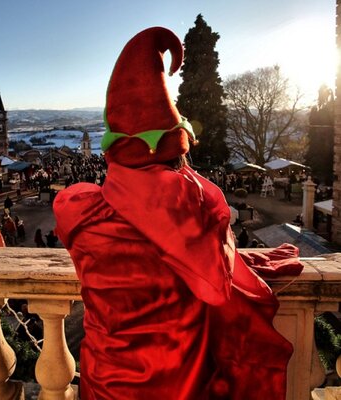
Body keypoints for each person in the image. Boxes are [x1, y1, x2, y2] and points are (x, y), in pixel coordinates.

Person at [53, 27, 294, 400]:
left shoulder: (80, 215)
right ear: (179, 151)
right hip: (180, 384)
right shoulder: (197, 219)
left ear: (114, 151)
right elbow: (214, 281)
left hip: (105, 382)